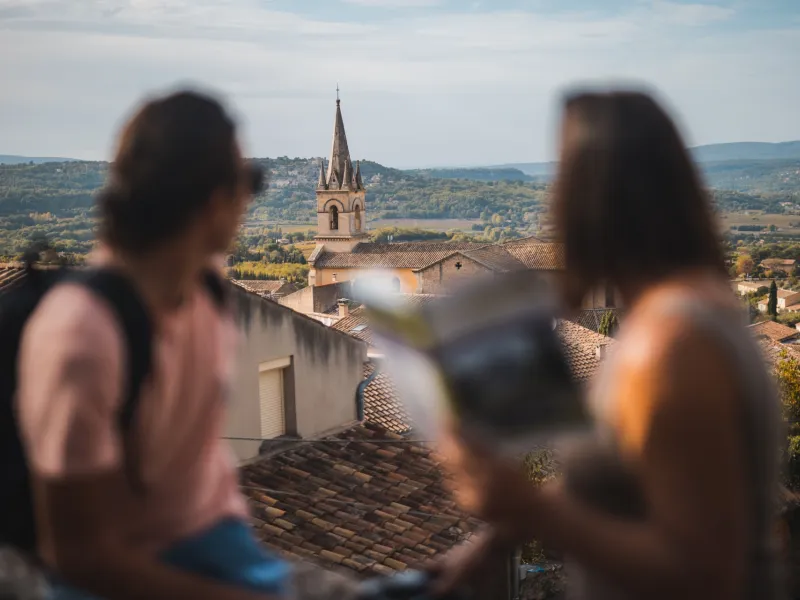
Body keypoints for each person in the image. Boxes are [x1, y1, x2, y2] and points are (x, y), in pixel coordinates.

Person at [433, 90, 785, 600]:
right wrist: (495, 543)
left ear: (589, 203)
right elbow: (631, 481)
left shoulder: (672, 346)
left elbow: (707, 575)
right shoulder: (685, 314)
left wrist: (529, 508)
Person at [14, 90, 357, 600]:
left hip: (216, 543)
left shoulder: (206, 297)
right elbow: (79, 558)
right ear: (217, 199)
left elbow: (203, 492)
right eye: (250, 184)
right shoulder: (81, 336)